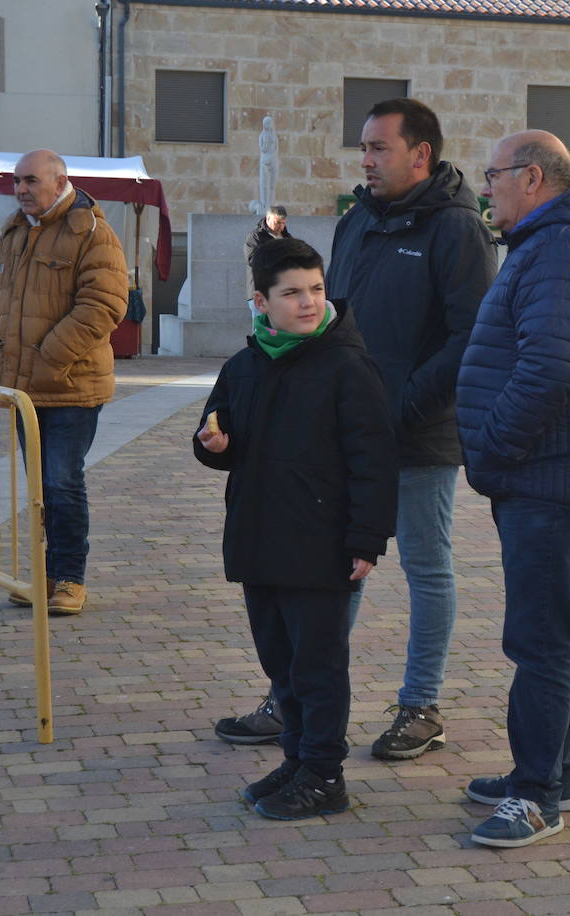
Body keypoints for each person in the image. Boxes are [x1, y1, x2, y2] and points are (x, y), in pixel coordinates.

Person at [213, 98, 497, 756]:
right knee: (329, 568)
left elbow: (470, 338)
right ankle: (298, 699)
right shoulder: (356, 223)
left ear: (420, 154)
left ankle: (420, 706)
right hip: (342, 434)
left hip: (420, 432)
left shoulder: (458, 230)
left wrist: (392, 409)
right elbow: (329, 321)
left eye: (378, 149)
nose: (364, 160)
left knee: (427, 568)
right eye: (363, 148)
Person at [455, 130, 570, 847]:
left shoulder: (558, 247)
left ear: (531, 178)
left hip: (545, 477)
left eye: (492, 176)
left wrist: (493, 447)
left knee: (538, 639)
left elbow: (548, 369)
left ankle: (535, 798)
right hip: (542, 473)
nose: (484, 188)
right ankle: (557, 770)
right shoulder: (547, 242)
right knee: (546, 631)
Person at [194, 237, 398, 821]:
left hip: (321, 543)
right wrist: (214, 445)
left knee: (318, 665)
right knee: (280, 662)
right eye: (292, 293)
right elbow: (216, 435)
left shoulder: (348, 366)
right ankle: (298, 759)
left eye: (315, 289)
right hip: (260, 539)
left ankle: (325, 774)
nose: (308, 303)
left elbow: (374, 461)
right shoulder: (246, 364)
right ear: (261, 301)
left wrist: (366, 539)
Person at [0, 148, 128, 616]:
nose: (20, 190)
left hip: (73, 387)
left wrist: (47, 358)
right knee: (40, 486)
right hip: (25, 389)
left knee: (62, 482)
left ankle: (71, 579)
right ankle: (48, 577)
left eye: (30, 181)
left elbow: (104, 305)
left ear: (60, 183)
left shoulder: (93, 231)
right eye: (16, 181)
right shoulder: (15, 230)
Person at [245, 204, 291, 308]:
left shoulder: (287, 238)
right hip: (260, 291)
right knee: (261, 324)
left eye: (283, 223)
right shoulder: (256, 236)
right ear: (268, 218)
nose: (281, 226)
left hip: (281, 291)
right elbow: (252, 260)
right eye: (277, 222)